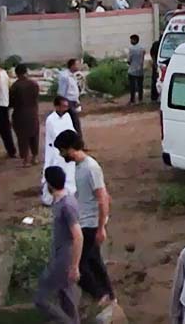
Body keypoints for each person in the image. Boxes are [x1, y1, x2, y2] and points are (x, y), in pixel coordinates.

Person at [54, 130, 114, 306]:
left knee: (77, 265)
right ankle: (109, 295)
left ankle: (99, 295)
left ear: (71, 148)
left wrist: (101, 226)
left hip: (90, 224)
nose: (61, 154)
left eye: (62, 150)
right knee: (95, 262)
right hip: (86, 221)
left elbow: (103, 197)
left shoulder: (90, 168)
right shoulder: (81, 167)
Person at [34, 166, 83, 324]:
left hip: (64, 259)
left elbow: (78, 236)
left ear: (49, 184)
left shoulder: (66, 206)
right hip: (62, 256)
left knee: (41, 298)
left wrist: (74, 266)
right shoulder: (64, 201)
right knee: (67, 298)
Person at [42, 99, 77, 205]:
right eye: (63, 106)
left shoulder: (67, 117)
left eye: (67, 107)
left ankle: (69, 193)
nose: (66, 109)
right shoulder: (51, 120)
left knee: (70, 171)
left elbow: (71, 130)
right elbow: (56, 135)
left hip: (67, 148)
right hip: (55, 151)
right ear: (57, 107)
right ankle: (50, 198)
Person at [10, 64, 41, 167]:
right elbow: (36, 98)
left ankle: (26, 159)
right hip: (33, 112)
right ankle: (35, 157)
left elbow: (11, 102)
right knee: (34, 135)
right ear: (26, 72)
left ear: (16, 74)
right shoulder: (34, 84)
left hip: (20, 113)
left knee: (22, 137)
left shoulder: (15, 86)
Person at [57, 59, 83, 138]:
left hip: (72, 102)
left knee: (74, 123)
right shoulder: (65, 76)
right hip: (67, 102)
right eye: (77, 64)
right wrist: (63, 104)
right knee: (74, 123)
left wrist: (77, 100)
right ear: (72, 66)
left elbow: (73, 90)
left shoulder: (72, 75)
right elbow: (62, 91)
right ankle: (77, 143)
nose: (79, 66)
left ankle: (77, 143)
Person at [128, 35, 146, 104]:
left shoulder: (131, 49)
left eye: (131, 40)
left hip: (132, 70)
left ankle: (132, 100)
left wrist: (129, 62)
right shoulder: (142, 48)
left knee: (132, 86)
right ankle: (140, 99)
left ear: (134, 40)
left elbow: (129, 60)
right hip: (140, 70)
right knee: (140, 85)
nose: (130, 41)